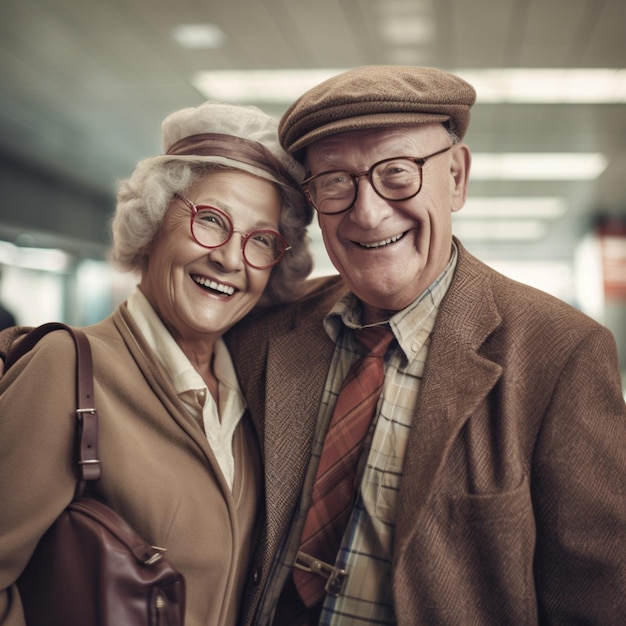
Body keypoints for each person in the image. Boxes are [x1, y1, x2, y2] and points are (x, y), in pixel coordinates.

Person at [225, 66, 626, 625]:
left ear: (456, 177)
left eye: (397, 172)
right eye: (337, 181)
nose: (368, 212)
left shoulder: (561, 353)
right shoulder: (265, 330)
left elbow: (597, 596)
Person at [0, 100, 313, 626]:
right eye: (211, 221)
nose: (232, 259)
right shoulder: (68, 369)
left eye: (261, 240)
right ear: (152, 223)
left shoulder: (251, 395)